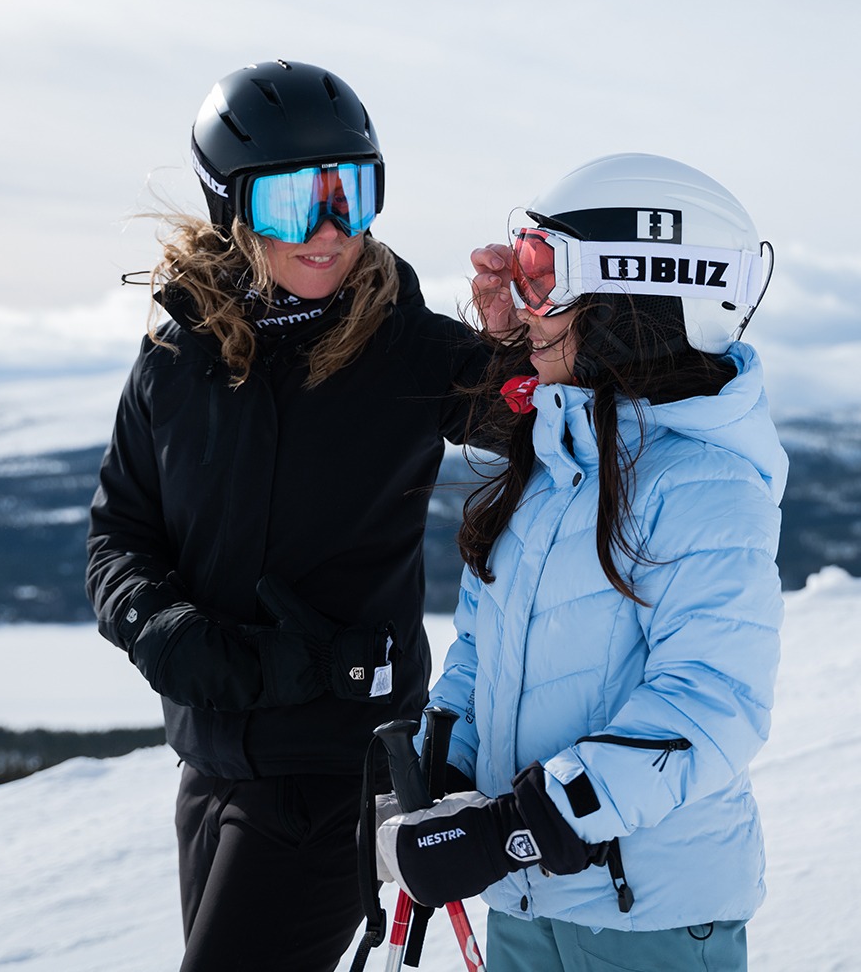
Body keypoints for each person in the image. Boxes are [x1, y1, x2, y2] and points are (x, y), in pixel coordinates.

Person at [86, 59, 491, 971]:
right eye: (291, 204)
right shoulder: (174, 356)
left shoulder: (411, 352)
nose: (330, 230)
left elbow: (546, 415)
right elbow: (119, 534)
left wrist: (538, 332)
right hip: (210, 760)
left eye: (351, 192)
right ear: (230, 209)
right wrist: (169, 633)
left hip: (339, 769)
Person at [376, 153, 787, 971]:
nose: (522, 307)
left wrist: (514, 827)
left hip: (653, 919)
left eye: (539, 274)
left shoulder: (704, 483)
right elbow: (480, 649)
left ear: (627, 294)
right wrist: (443, 766)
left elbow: (708, 708)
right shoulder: (556, 462)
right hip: (531, 901)